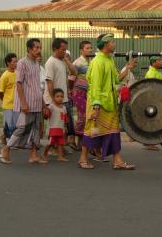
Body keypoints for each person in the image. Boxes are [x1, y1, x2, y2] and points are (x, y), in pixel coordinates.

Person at [77, 33, 135, 170]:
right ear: (105, 44)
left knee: (113, 132)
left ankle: (117, 160)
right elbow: (96, 86)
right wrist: (96, 106)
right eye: (112, 42)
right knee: (91, 131)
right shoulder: (98, 62)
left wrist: (127, 68)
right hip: (98, 103)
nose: (114, 44)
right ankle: (82, 158)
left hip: (109, 103)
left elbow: (116, 79)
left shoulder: (109, 60)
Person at [0, 38, 46, 164]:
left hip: (36, 103)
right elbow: (18, 84)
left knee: (36, 129)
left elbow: (37, 85)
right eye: (36, 47)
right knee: (22, 128)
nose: (38, 50)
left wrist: (43, 103)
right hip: (27, 104)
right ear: (29, 49)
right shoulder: (22, 63)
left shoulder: (36, 64)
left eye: (40, 47)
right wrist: (23, 103)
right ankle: (6, 148)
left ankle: (34, 154)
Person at [43, 38, 77, 151]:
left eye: (65, 50)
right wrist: (53, 100)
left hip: (64, 99)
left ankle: (60, 147)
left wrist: (66, 60)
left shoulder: (62, 61)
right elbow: (49, 82)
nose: (64, 52)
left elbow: (74, 72)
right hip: (54, 100)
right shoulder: (50, 62)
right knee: (55, 125)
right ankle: (52, 148)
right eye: (62, 50)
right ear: (55, 49)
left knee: (64, 124)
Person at [72, 41, 93, 149]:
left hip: (88, 93)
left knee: (86, 116)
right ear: (81, 50)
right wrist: (70, 90)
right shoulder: (78, 62)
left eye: (90, 48)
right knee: (83, 116)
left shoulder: (91, 61)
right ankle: (78, 142)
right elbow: (71, 78)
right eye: (87, 48)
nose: (90, 50)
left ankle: (80, 142)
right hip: (79, 92)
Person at [40, 88, 69, 163]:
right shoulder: (51, 106)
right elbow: (46, 117)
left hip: (61, 129)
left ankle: (60, 156)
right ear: (53, 98)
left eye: (62, 96)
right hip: (53, 129)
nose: (60, 98)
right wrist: (45, 113)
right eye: (57, 96)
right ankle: (44, 154)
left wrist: (65, 127)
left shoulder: (64, 108)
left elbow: (65, 118)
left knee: (60, 143)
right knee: (50, 143)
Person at [0, 53, 18, 145]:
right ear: (8, 63)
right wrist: (5, 100)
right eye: (14, 62)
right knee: (9, 125)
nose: (16, 63)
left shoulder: (18, 73)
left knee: (16, 124)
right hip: (8, 104)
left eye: (16, 61)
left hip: (17, 104)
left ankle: (3, 137)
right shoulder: (4, 76)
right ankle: (8, 142)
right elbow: (1, 92)